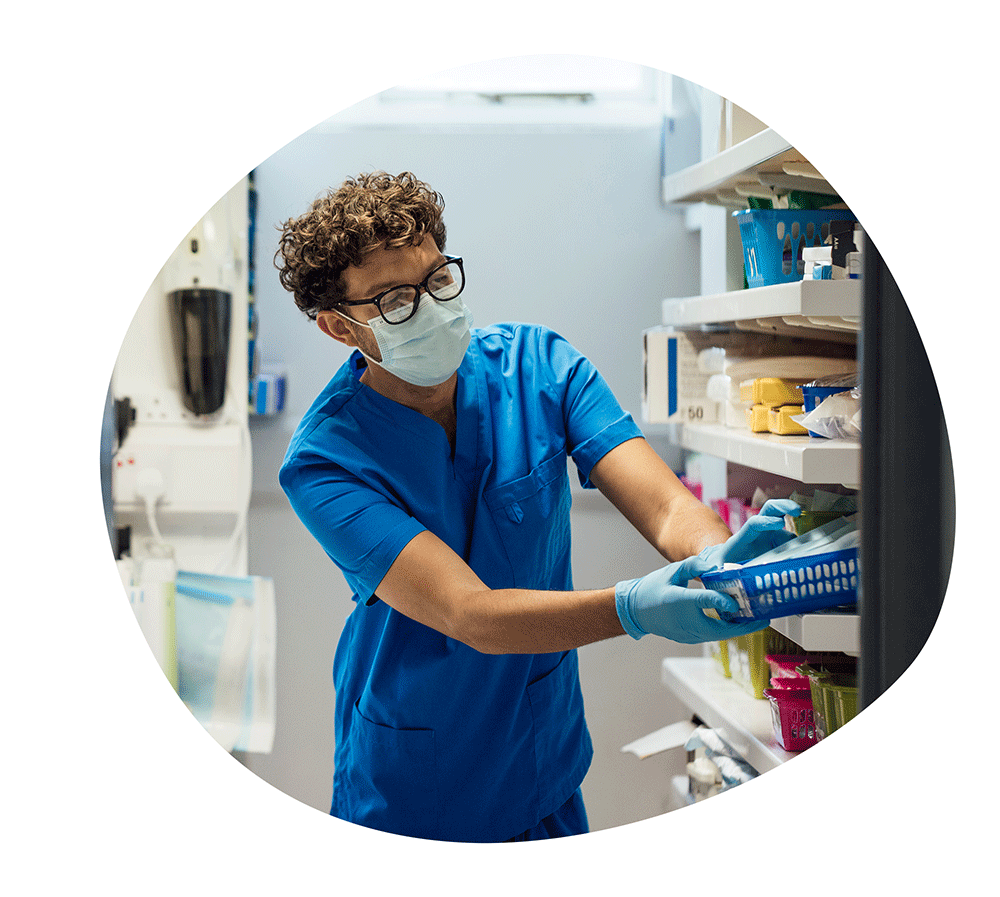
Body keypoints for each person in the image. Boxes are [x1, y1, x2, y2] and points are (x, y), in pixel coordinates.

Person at [275, 171, 798, 843]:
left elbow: (668, 510)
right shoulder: (325, 459)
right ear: (338, 327)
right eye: (396, 301)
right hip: (413, 785)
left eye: (437, 280)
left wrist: (722, 560)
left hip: (539, 761)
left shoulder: (541, 367)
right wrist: (633, 606)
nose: (431, 309)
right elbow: (470, 612)